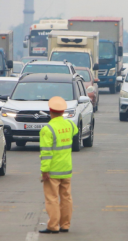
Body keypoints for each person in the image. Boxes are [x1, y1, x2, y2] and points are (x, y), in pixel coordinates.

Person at [39, 96, 79, 234]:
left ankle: (53, 226)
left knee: (52, 199)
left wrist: (45, 171)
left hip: (53, 171)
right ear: (63, 111)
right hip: (67, 169)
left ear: (50, 111)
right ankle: (65, 225)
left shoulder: (47, 129)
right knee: (66, 198)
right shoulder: (70, 125)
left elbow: (46, 153)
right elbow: (75, 131)